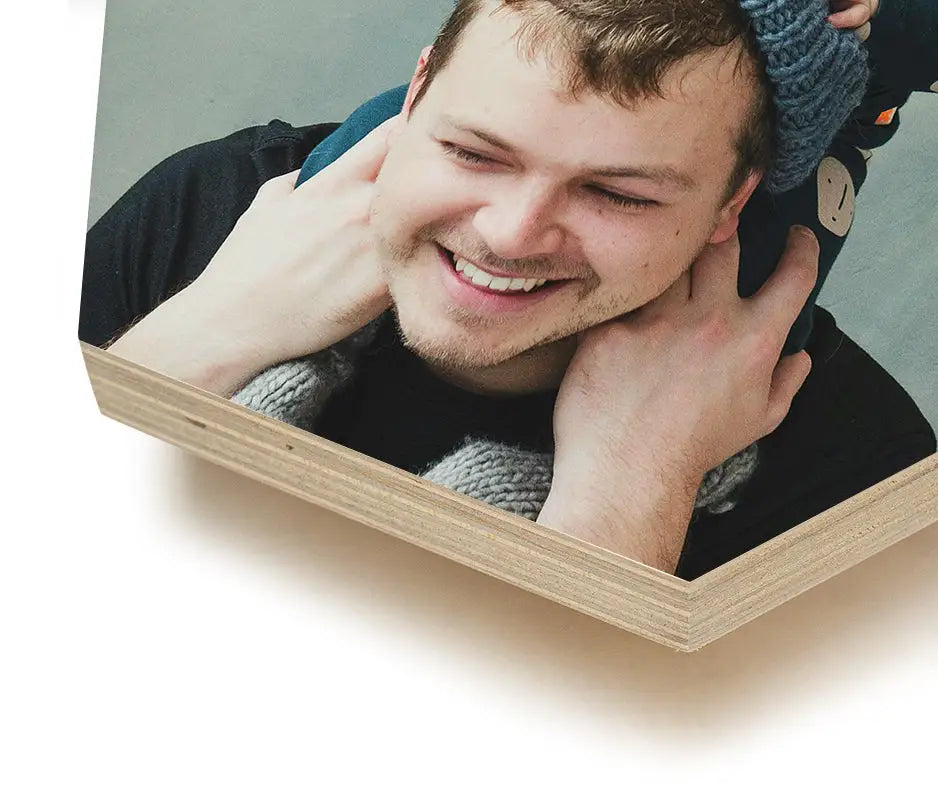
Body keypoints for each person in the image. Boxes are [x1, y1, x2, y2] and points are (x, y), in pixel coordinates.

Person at [80, 0, 937, 577]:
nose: (508, 234)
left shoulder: (863, 481)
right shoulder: (217, 210)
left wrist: (626, 502)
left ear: (730, 201)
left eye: (619, 193)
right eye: (471, 152)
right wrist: (194, 342)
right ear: (418, 93)